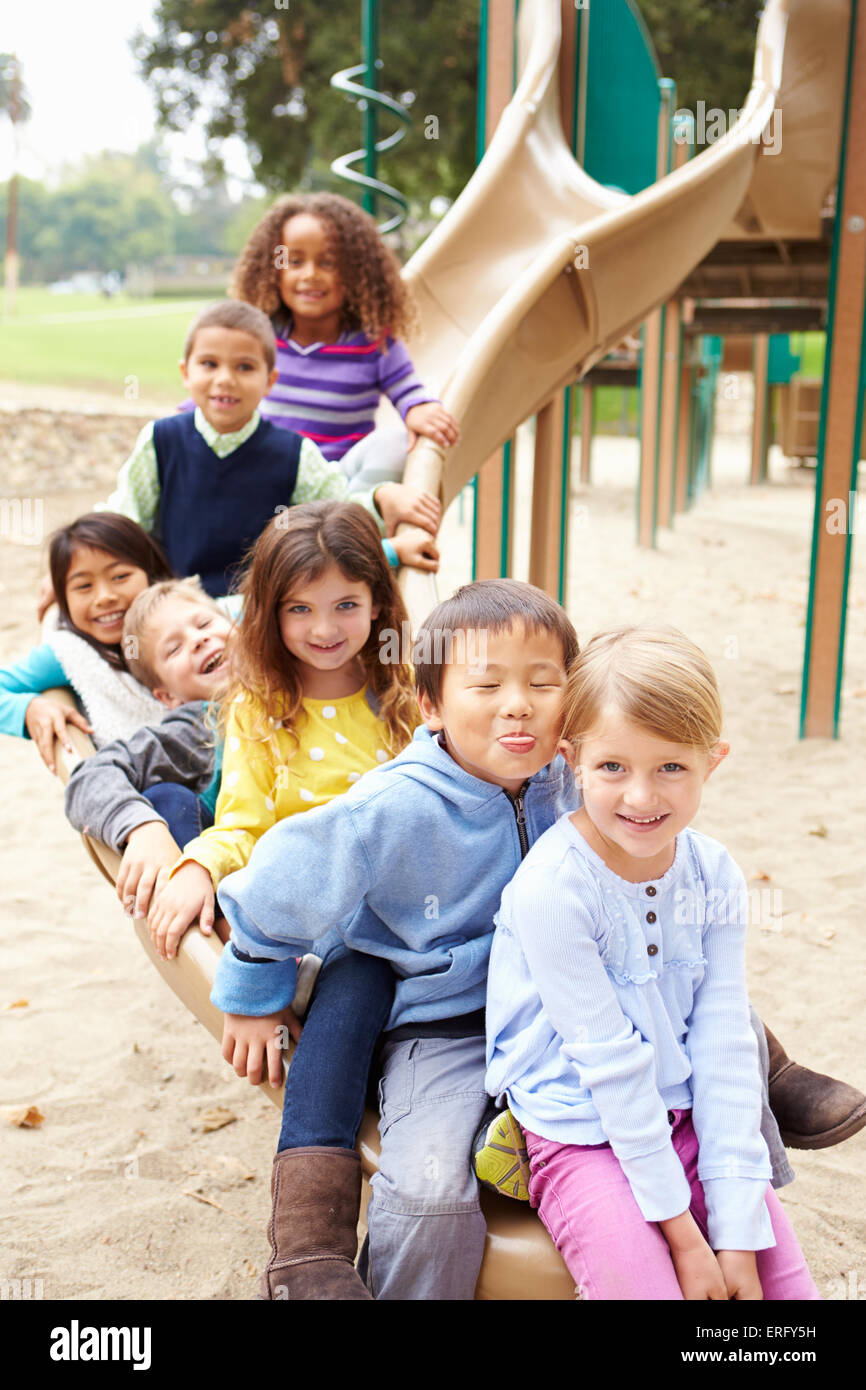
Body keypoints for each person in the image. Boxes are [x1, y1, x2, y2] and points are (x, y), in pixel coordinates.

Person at [211, 580, 861, 1301]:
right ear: (429, 706)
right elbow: (278, 886)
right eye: (485, 683)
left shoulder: (583, 776)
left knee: (692, 999)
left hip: (580, 1008)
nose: (517, 703)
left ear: (572, 707)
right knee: (429, 1188)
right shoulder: (392, 807)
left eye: (543, 682)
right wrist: (251, 988)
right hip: (450, 1019)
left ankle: (760, 1120)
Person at [484, 626, 820, 1300]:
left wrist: (735, 1232)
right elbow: (607, 1065)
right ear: (572, 760)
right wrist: (686, 1239)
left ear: (711, 762)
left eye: (671, 767)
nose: (641, 797)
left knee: (782, 1298)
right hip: (578, 1130)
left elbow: (724, 1046)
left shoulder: (713, 873)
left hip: (687, 1115)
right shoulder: (554, 887)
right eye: (613, 768)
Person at [147, 500, 420, 1299]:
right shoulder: (264, 707)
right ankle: (308, 1250)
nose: (325, 627)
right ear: (269, 612)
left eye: (345, 605)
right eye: (300, 608)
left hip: (413, 912)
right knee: (349, 999)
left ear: (378, 602)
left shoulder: (405, 690)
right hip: (319, 926)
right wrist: (198, 864)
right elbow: (243, 824)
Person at [36, 301, 441, 620]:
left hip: (257, 611)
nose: (225, 379)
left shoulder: (294, 453)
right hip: (172, 611)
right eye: (209, 364)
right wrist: (71, 571)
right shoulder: (161, 439)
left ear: (269, 380)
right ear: (185, 372)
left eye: (244, 367)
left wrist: (382, 505)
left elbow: (339, 516)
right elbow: (124, 520)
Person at [230, 192, 460, 491]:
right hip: (275, 475)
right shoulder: (261, 336)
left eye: (327, 263)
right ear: (273, 269)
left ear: (355, 273)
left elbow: (407, 389)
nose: (310, 275)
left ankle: (350, 523)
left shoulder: (374, 344)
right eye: (295, 261)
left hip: (340, 483)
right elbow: (224, 379)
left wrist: (417, 407)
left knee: (396, 444)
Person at [64, 577, 236, 924]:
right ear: (168, 697)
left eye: (204, 623)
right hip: (240, 878)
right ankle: (225, 932)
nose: (198, 639)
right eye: (174, 649)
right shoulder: (195, 726)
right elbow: (89, 777)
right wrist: (143, 828)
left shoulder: (306, 679)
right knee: (165, 798)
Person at [2, 512, 172, 769]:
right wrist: (29, 708)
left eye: (120, 577)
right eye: (83, 586)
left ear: (151, 574)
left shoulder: (185, 624)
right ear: (63, 598)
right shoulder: (70, 654)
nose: (104, 597)